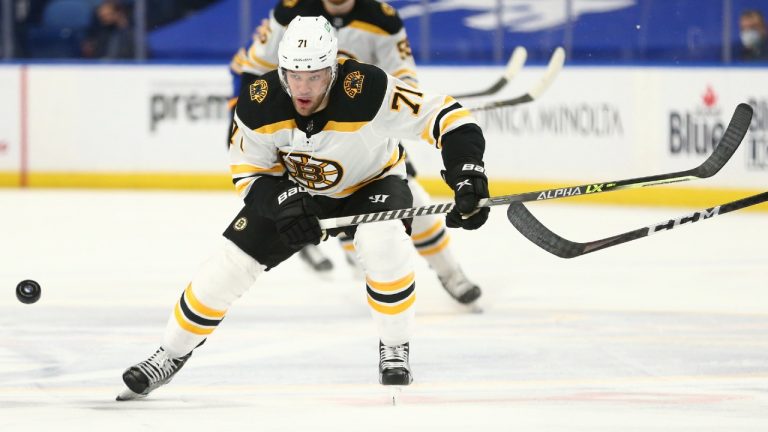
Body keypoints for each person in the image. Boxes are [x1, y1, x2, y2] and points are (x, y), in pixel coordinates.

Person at [116, 15, 489, 400]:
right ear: (281, 70)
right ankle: (170, 354)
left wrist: (467, 173)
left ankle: (394, 346)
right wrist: (283, 204)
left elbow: (448, 117)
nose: (303, 88)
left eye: (315, 76)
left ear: (333, 68)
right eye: (294, 75)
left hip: (372, 185)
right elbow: (249, 174)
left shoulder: (368, 88)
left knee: (385, 244)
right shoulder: (259, 102)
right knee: (227, 266)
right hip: (298, 192)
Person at [229, 0, 483, 305]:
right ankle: (359, 257)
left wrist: (391, 108)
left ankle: (450, 273)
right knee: (307, 205)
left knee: (409, 194)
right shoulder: (289, 13)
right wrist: (243, 119)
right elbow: (255, 67)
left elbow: (404, 75)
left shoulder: (383, 19)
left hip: (362, 125)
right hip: (294, 134)